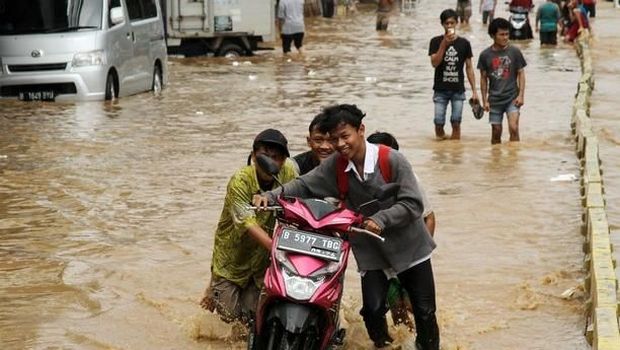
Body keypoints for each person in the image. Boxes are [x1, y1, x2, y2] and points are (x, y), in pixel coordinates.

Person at [253, 105, 439, 350]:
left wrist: (381, 220)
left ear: (361, 130)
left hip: (410, 249)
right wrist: (271, 196)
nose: (339, 144)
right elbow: (305, 185)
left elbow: (413, 204)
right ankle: (385, 346)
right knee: (372, 311)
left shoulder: (392, 160)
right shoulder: (336, 166)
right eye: (334, 139)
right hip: (372, 252)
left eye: (345, 136)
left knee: (424, 312)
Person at [200, 129, 298, 325]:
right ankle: (214, 284)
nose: (271, 162)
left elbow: (297, 207)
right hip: (231, 258)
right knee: (229, 318)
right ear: (253, 156)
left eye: (277, 157)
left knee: (252, 320)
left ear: (284, 159)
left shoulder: (288, 174)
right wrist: (278, 251)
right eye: (265, 156)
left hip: (260, 260)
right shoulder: (240, 181)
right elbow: (248, 224)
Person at [366, 132, 436, 333]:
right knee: (390, 309)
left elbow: (429, 217)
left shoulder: (408, 177)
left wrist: (420, 255)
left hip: (410, 254)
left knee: (419, 308)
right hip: (380, 256)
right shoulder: (359, 178)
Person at [428, 9, 479, 140]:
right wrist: (443, 45)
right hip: (440, 89)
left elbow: (469, 68)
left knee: (456, 122)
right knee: (438, 122)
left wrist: (474, 91)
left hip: (458, 90)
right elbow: (434, 63)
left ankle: (455, 151)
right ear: (442, 24)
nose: (449, 26)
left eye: (452, 23)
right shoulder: (435, 41)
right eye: (447, 23)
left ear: (457, 23)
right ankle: (441, 148)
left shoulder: (464, 43)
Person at [477, 18, 527, 144]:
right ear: (493, 36)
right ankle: (496, 160)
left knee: (514, 128)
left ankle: (513, 159)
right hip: (494, 100)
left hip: (512, 98)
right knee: (496, 132)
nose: (505, 37)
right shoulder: (485, 55)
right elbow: (483, 79)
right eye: (502, 34)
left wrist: (521, 95)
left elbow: (521, 73)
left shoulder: (514, 52)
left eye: (507, 34)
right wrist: (484, 101)